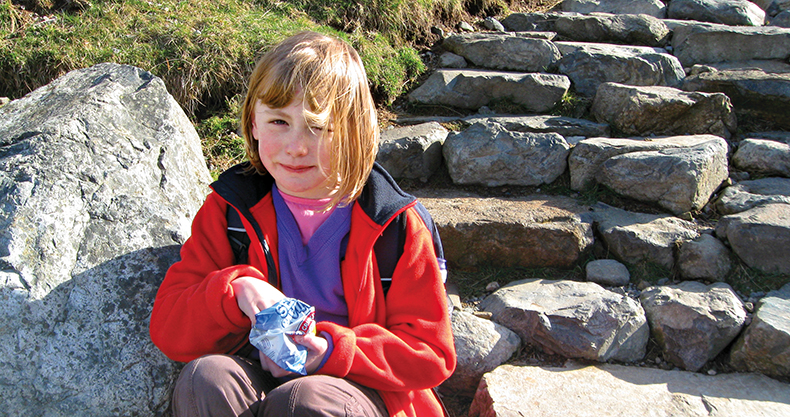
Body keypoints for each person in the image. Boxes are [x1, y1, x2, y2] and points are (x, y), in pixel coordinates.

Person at [149, 31, 456, 417]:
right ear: (253, 124)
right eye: (278, 121)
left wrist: (329, 350)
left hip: (361, 392)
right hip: (258, 377)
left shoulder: (395, 224)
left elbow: (432, 354)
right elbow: (168, 328)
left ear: (354, 131)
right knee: (206, 378)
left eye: (319, 127)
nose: (296, 146)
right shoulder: (229, 211)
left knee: (305, 403)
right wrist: (236, 290)